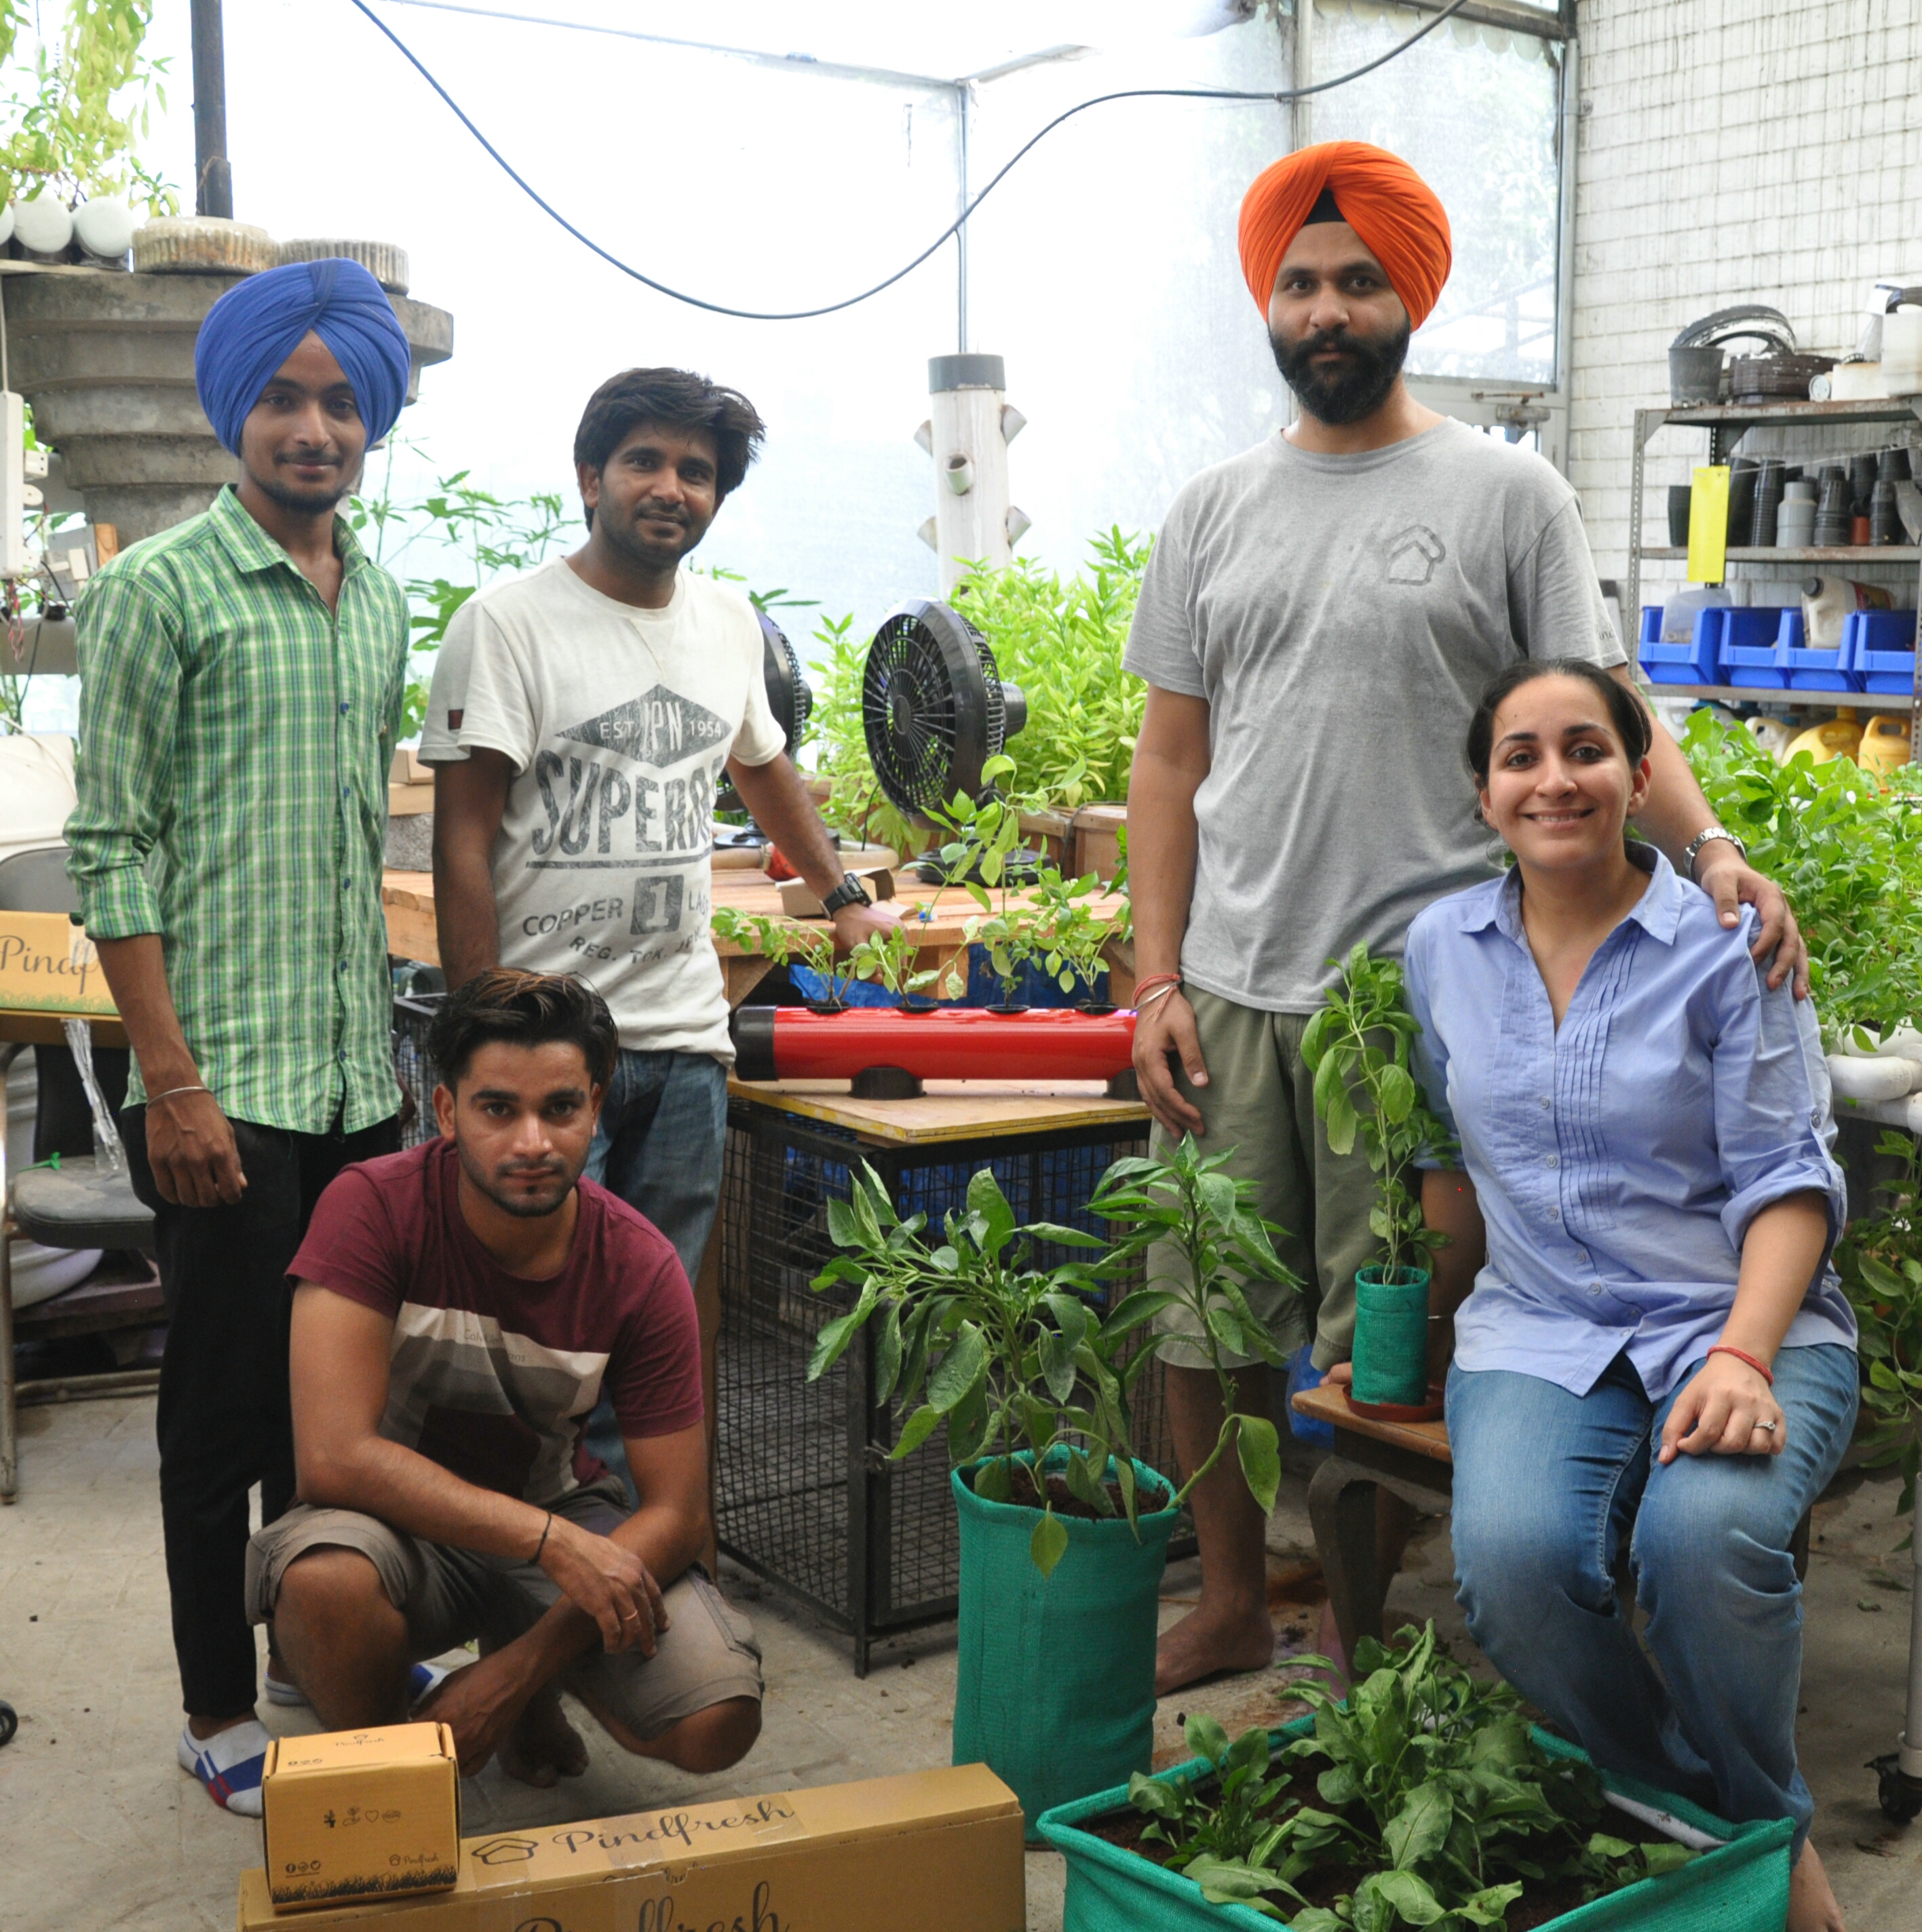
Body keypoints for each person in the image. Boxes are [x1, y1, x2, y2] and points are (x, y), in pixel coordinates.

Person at [1123, 140, 1807, 1695]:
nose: (1324, 305)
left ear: (1404, 298)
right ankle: (1234, 1591)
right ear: (1269, 305)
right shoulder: (1212, 508)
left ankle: (1366, 1626)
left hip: (1424, 1000)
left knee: (1400, 1326)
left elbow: (1609, 709)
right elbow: (1168, 758)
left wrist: (1709, 855)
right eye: (1297, 281)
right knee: (1199, 1306)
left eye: (1356, 276)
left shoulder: (1504, 492)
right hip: (1229, 979)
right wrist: (1153, 970)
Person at [1386, 659, 1855, 1932]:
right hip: (1534, 1325)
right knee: (1513, 1561)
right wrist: (1413, 1333)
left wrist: (1744, 1357)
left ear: (1636, 774)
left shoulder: (1725, 940)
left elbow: (1786, 1181)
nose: (1555, 779)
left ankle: (1764, 1845)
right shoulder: (1440, 948)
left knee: (1699, 1542)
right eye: (1520, 756)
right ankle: (1721, 1819)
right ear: (1483, 794)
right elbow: (1449, 1157)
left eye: (1586, 749)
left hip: (1742, 1319)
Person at [66, 258, 418, 1816]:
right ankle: (219, 1706)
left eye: (342, 401)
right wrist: (171, 1080)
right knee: (216, 1408)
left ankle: (301, 1648)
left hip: (355, 1076)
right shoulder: (160, 590)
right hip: (225, 1081)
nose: (313, 426)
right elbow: (113, 849)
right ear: (234, 409)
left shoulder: (383, 595)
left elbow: (354, 838)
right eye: (282, 396)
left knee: (329, 1410)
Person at [425, 367, 895, 1496]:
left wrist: (841, 895)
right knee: (528, 1312)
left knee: (666, 1305)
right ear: (590, 477)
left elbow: (765, 768)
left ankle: (652, 1541)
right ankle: (519, 1534)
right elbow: (462, 838)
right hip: (548, 1046)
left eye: (696, 470)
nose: (670, 487)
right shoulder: (507, 623)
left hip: (684, 1036)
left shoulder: (727, 622)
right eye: (645, 461)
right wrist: (489, 1027)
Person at [248, 969, 763, 1787]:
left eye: (559, 1108)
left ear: (595, 1106)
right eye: (498, 1109)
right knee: (323, 1585)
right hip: (397, 1521)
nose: (532, 1142)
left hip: (555, 1497)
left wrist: (516, 1673)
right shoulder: (371, 1207)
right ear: (448, 1111)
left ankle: (525, 1700)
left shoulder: (640, 1264)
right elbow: (334, 1459)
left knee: (716, 1717)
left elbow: (676, 1509)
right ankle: (393, 1774)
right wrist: (551, 1544)